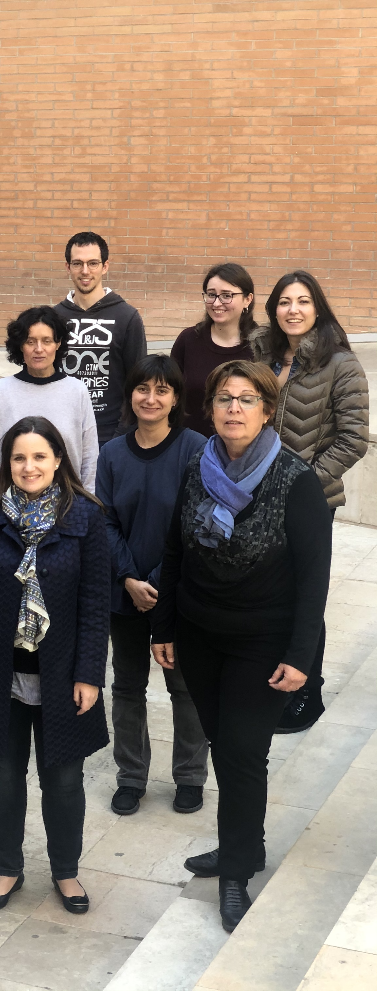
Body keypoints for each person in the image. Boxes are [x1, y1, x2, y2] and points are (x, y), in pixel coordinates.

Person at [151, 360, 331, 932]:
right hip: (201, 635)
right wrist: (163, 626)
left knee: (242, 753)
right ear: (210, 409)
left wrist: (301, 658)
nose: (234, 408)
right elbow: (175, 550)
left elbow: (314, 579)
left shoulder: (296, 480)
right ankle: (245, 845)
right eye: (224, 398)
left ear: (268, 410)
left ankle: (235, 871)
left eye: (247, 399)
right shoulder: (197, 467)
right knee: (225, 746)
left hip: (264, 643)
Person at [0, 416, 109, 917]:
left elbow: (95, 602)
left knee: (64, 779)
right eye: (19, 457)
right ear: (6, 464)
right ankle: (8, 868)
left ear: (58, 459)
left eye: (40, 456)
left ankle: (65, 871)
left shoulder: (85, 515)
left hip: (63, 674)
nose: (29, 466)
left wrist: (89, 674)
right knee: (2, 773)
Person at [250, 271, 368, 732]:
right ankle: (270, 680)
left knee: (304, 593)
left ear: (317, 307)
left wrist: (301, 485)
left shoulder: (340, 363)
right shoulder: (261, 355)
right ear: (273, 309)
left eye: (302, 301)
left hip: (311, 500)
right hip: (255, 493)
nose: (293, 310)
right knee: (267, 592)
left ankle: (306, 694)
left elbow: (353, 439)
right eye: (284, 301)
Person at [96, 356, 208, 817]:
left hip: (177, 595)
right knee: (127, 687)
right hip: (124, 594)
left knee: (184, 688)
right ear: (130, 394)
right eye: (143, 389)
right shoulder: (112, 453)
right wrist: (129, 579)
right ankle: (131, 778)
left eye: (162, 390)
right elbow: (103, 522)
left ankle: (190, 777)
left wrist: (158, 582)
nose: (151, 398)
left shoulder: (196, 449)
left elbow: (196, 522)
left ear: (176, 398)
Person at [0, 306, 98, 492]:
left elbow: (90, 456)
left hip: (67, 500)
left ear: (58, 343)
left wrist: (88, 500)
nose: (39, 349)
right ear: (20, 345)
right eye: (30, 341)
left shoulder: (77, 391)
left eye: (47, 341)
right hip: (8, 500)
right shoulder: (1, 390)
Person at [53, 232, 148, 445]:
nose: (85, 271)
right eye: (77, 263)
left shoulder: (126, 317)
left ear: (105, 266)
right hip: (61, 433)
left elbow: (138, 381)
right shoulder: (54, 318)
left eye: (93, 263)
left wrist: (121, 435)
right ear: (68, 267)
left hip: (111, 435)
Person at [170, 264, 256, 437]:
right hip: (190, 444)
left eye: (226, 296)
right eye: (211, 295)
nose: (216, 303)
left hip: (243, 446)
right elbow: (171, 393)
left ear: (247, 299)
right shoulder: (188, 340)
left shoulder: (261, 345)